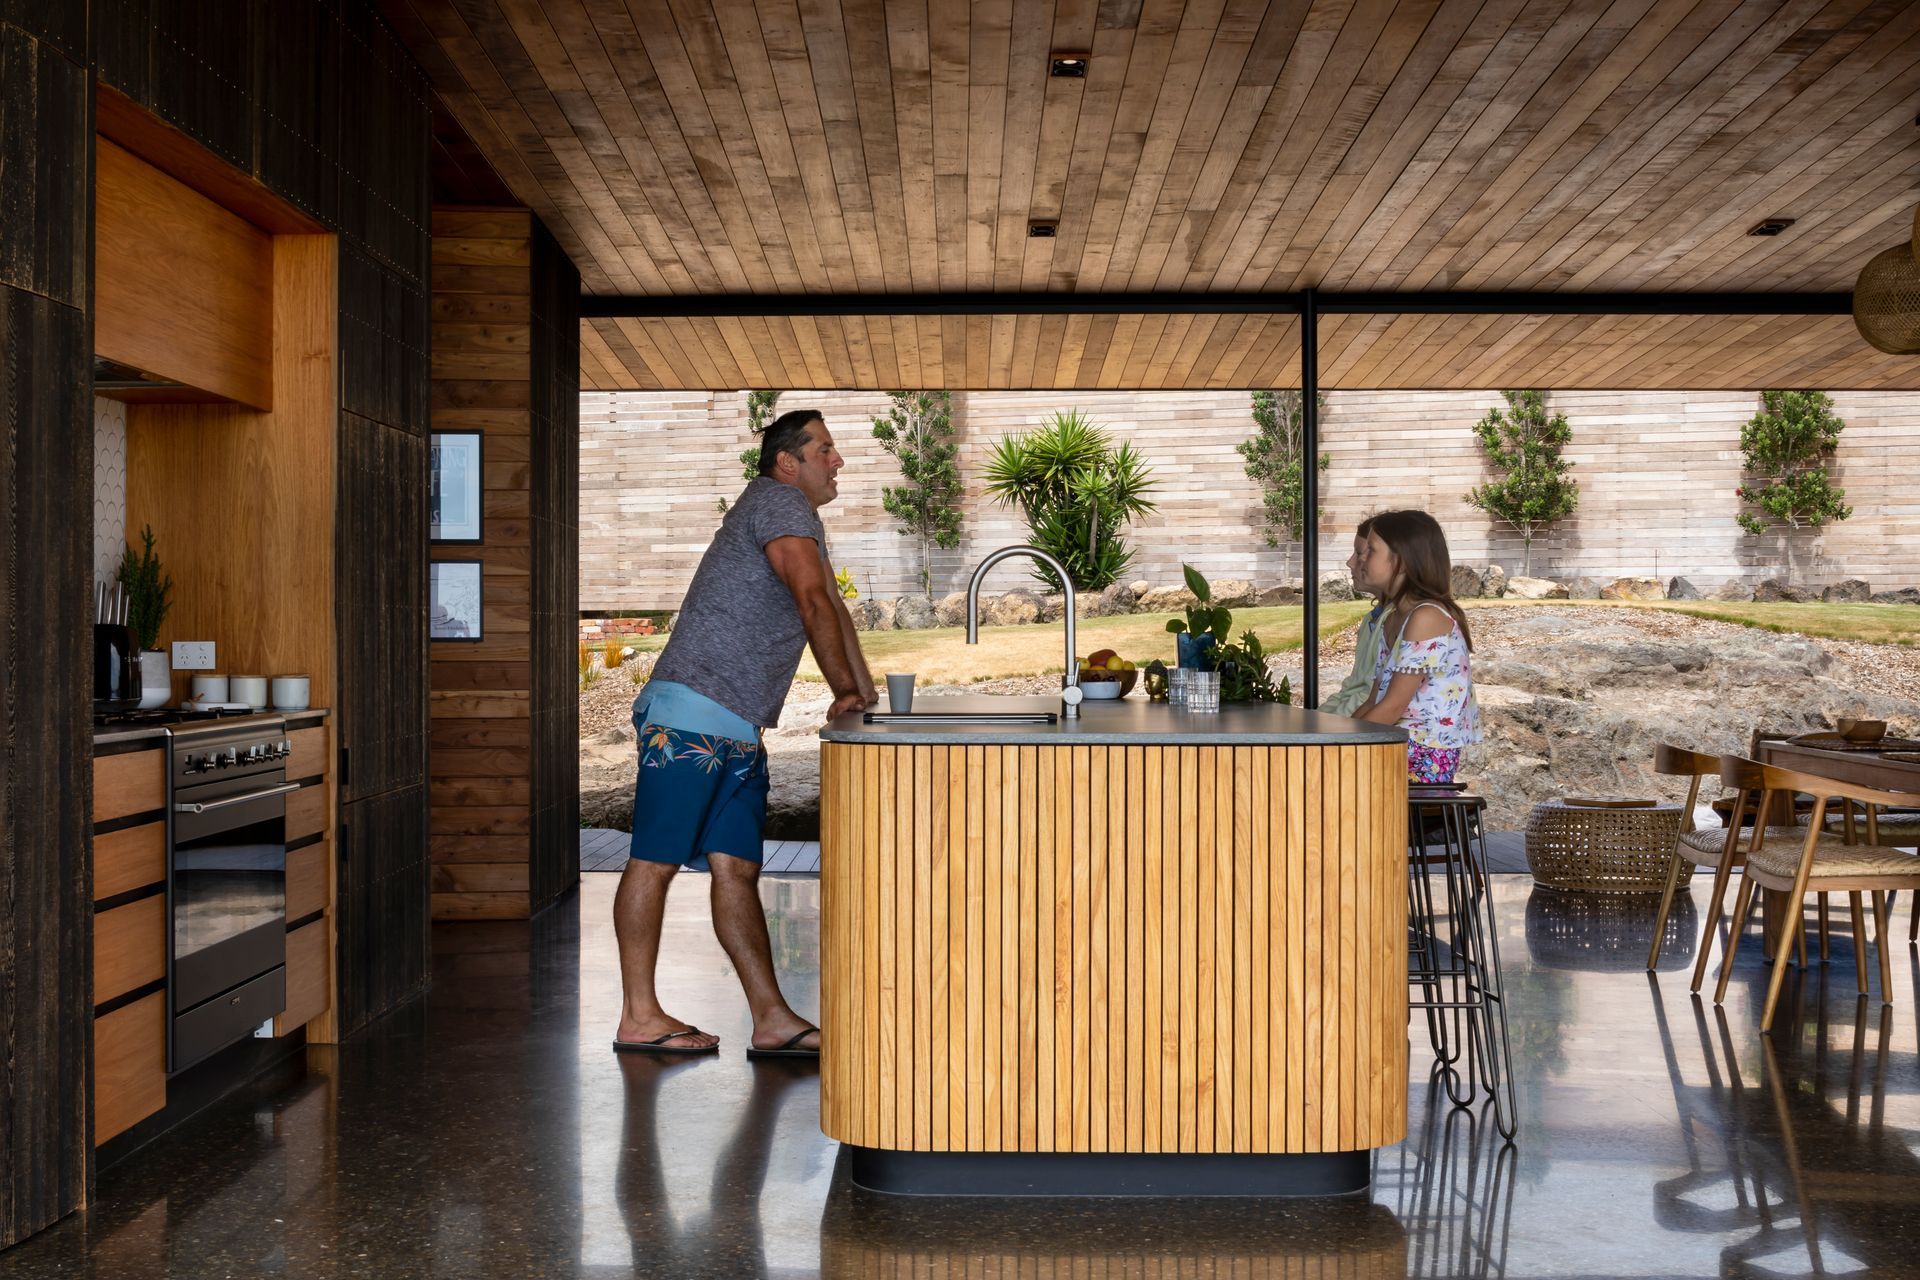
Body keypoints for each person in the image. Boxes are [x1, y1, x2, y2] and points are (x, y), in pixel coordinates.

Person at [613, 408, 876, 1059]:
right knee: (655, 859)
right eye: (825, 448)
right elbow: (813, 599)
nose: (836, 460)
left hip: (733, 724)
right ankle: (639, 1015)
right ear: (787, 461)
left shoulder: (785, 511)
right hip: (693, 717)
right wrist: (845, 691)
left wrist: (864, 692)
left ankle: (771, 1018)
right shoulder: (781, 502)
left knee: (737, 870)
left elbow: (832, 608)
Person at [1350, 510, 1481, 784]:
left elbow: (1392, 707)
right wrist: (1335, 735)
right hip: (1399, 742)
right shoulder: (1396, 618)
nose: (1360, 559)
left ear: (1402, 563)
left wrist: (1338, 745)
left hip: (1423, 755)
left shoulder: (1426, 617)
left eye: (1370, 551)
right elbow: (1374, 700)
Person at [1318, 516, 1386, 718]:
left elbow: (1371, 695)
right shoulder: (1371, 620)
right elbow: (1353, 688)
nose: (1351, 562)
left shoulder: (1403, 621)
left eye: (1361, 553)